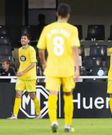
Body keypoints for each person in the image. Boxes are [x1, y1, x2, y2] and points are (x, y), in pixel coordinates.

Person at [37, 3, 80, 133]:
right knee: (68, 95)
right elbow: (75, 50)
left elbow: (40, 50)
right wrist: (77, 68)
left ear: (57, 13)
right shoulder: (72, 29)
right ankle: (67, 125)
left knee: (52, 94)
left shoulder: (47, 28)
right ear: (68, 15)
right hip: (67, 68)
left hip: (52, 68)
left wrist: (44, 63)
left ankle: (54, 121)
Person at [8, 34, 41, 119]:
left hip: (30, 77)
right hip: (21, 77)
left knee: (32, 95)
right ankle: (15, 115)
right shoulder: (19, 50)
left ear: (28, 41)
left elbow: (33, 64)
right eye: (22, 38)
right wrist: (19, 71)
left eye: (25, 38)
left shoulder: (31, 49)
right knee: (18, 94)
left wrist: (23, 72)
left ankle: (38, 113)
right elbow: (22, 63)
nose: (22, 39)